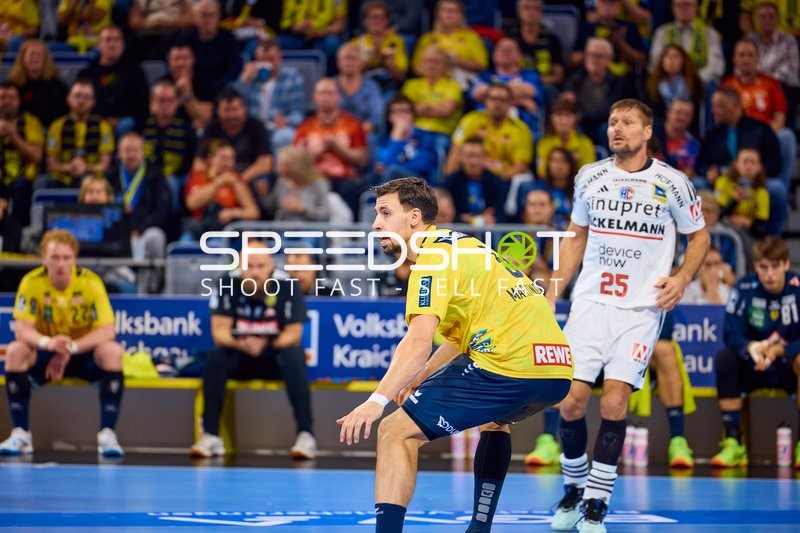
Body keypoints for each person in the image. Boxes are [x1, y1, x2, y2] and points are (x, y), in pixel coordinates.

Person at [336, 176, 572, 532]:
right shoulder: (467, 246)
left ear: (414, 217)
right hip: (556, 368)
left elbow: (416, 344)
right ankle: (479, 528)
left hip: (510, 364)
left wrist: (376, 400)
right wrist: (419, 377)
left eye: (385, 213)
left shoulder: (432, 259)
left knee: (393, 431)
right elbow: (462, 337)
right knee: (495, 417)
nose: (375, 224)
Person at [548, 99, 709, 532]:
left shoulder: (673, 183)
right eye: (612, 122)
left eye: (627, 123)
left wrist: (681, 278)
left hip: (640, 308)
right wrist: (552, 290)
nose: (617, 129)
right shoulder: (590, 177)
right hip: (591, 304)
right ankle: (573, 486)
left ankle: (596, 502)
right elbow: (576, 236)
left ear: (647, 131)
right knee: (570, 402)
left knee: (616, 400)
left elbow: (699, 237)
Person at [0, 229, 126, 457]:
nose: (61, 264)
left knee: (113, 352)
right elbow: (22, 329)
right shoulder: (31, 282)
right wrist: (49, 344)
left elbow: (108, 330)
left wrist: (72, 347)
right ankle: (21, 434)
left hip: (82, 353)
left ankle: (107, 435)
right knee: (16, 352)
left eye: (66, 258)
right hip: (46, 352)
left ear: (74, 260)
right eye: (55, 257)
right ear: (44, 259)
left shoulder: (90, 282)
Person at [190, 241, 316, 460]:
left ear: (271, 267)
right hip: (240, 355)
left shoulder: (287, 284)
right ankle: (210, 435)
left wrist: (266, 343)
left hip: (273, 355)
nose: (255, 272)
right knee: (215, 358)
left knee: (294, 355)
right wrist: (242, 344)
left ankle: (306, 435)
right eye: (249, 266)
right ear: (239, 266)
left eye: (261, 266)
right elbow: (219, 332)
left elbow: (293, 334)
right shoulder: (226, 283)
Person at [712, 235, 800, 469]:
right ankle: (734, 442)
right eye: (763, 267)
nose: (769, 273)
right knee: (725, 358)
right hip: (754, 363)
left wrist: (782, 351)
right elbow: (730, 333)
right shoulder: (744, 287)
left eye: (775, 266)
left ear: (785, 265)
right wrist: (752, 348)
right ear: (756, 266)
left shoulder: (798, 289)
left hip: (787, 367)